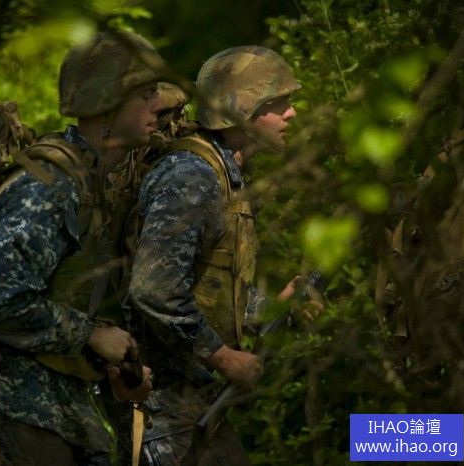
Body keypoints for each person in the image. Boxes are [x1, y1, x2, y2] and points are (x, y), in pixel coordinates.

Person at [0, 30, 176, 466]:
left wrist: (109, 359)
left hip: (65, 417)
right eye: (146, 94)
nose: (159, 104)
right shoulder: (50, 187)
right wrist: (90, 334)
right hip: (21, 418)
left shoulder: (92, 183)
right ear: (107, 104)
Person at [129, 46, 311, 465]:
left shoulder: (225, 173)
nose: (293, 113)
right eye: (279, 103)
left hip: (190, 402)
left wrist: (272, 307)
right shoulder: (192, 177)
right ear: (242, 111)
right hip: (163, 406)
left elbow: (208, 286)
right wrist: (224, 357)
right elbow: (154, 290)